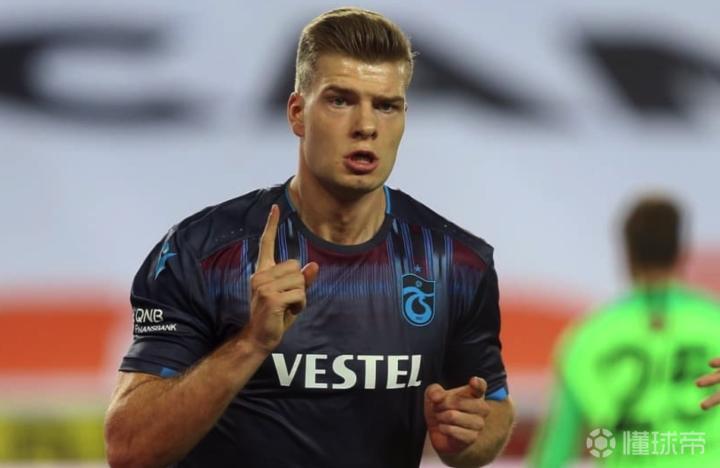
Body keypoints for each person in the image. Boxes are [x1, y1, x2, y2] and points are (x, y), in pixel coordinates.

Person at [104, 7, 514, 468]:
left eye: (386, 105)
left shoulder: (455, 262)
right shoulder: (202, 253)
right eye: (341, 100)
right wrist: (250, 344)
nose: (366, 126)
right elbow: (129, 447)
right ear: (298, 113)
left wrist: (466, 435)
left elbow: (493, 407)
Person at [529, 195, 720, 467]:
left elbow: (555, 449)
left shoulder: (589, 334)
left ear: (627, 254)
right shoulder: (714, 320)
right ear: (681, 252)